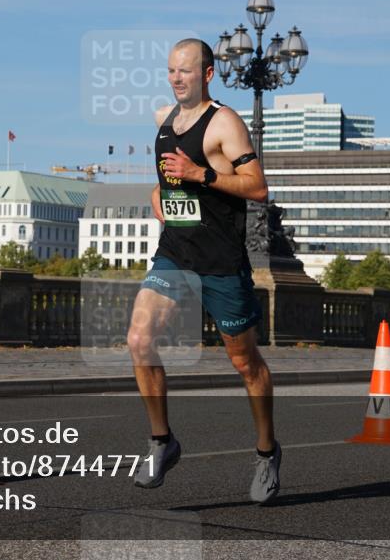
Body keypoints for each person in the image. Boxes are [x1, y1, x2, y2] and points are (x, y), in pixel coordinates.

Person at [127, 38, 281, 504]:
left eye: (186, 71)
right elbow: (164, 180)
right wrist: (159, 196)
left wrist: (202, 176)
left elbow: (257, 188)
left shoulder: (225, 123)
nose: (177, 78)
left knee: (245, 364)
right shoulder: (163, 121)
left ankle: (267, 451)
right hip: (175, 254)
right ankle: (162, 441)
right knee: (139, 339)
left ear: (208, 74)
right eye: (171, 70)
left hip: (220, 263)